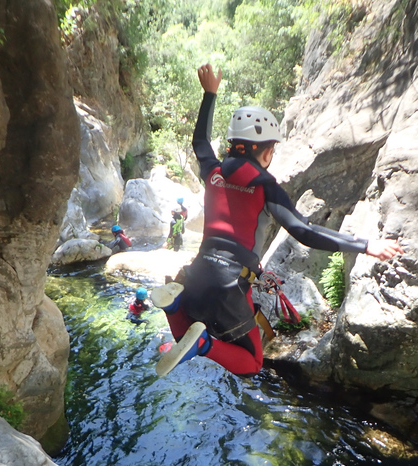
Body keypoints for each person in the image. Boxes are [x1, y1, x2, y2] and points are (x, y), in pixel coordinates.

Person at [151, 64, 404, 378]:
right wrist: (366, 245)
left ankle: (174, 305)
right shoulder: (266, 187)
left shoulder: (214, 173)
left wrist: (209, 94)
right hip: (230, 284)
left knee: (181, 338)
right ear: (267, 152)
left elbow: (200, 144)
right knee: (251, 362)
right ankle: (203, 343)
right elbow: (305, 231)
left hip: (195, 273)